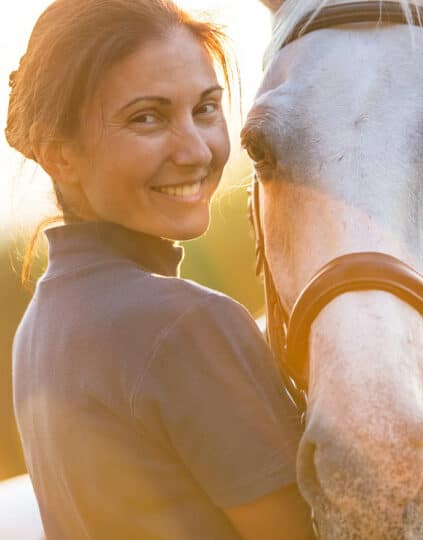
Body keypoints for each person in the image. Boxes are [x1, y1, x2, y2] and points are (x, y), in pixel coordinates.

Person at [7, 1, 314, 538]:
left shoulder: (41, 326)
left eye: (206, 109)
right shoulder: (187, 323)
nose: (195, 150)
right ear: (60, 153)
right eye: (146, 118)